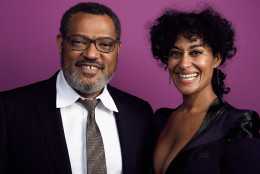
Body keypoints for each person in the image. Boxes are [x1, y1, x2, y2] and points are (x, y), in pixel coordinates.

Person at [0, 2, 154, 174]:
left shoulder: (140, 113)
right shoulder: (8, 110)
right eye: (80, 42)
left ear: (117, 49)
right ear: (61, 44)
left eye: (105, 44)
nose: (91, 54)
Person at [149, 6, 260, 174]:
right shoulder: (160, 118)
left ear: (217, 58)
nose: (184, 64)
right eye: (175, 53)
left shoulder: (238, 125)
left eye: (195, 52)